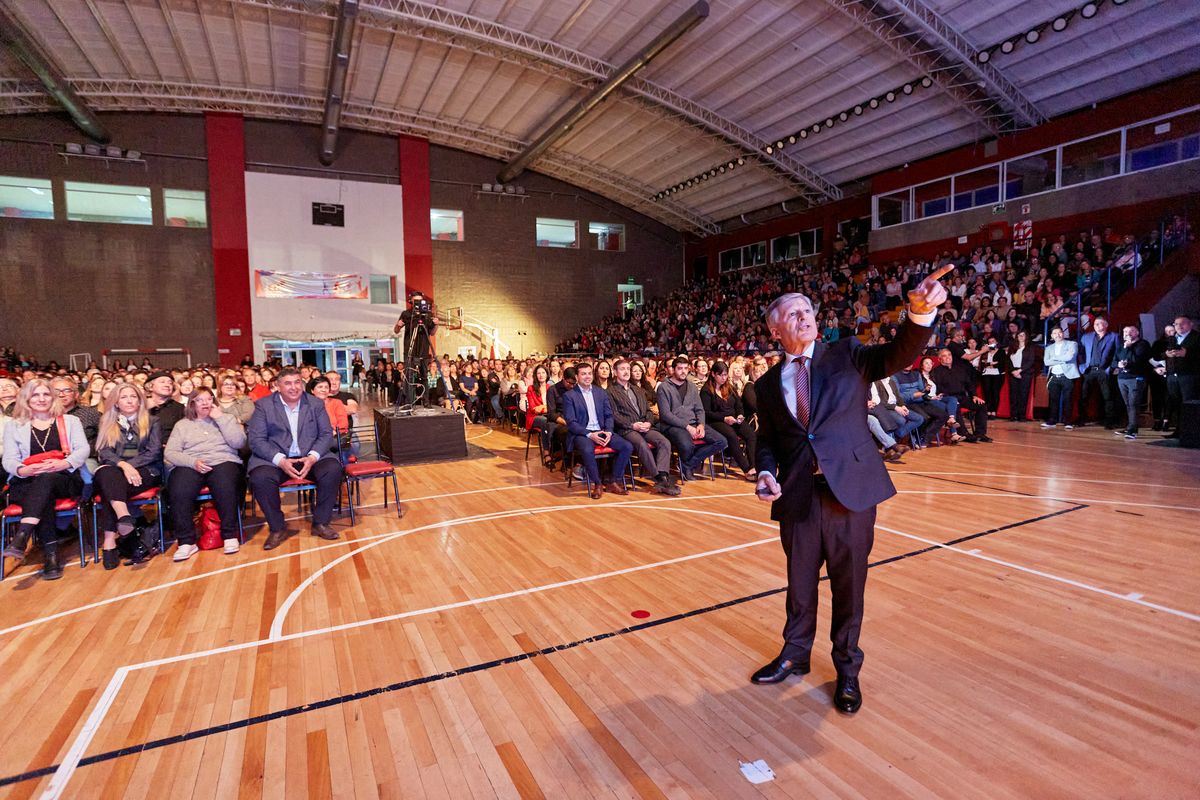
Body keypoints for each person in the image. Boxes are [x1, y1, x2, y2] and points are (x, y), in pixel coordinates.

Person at [751, 265, 951, 715]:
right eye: (793, 312)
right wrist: (765, 472)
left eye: (807, 309)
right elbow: (768, 440)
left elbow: (896, 356)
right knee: (799, 587)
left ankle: (847, 670)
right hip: (798, 497)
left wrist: (918, 316)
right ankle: (795, 655)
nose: (804, 316)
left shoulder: (846, 353)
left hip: (849, 494)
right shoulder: (765, 385)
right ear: (775, 329)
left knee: (849, 587)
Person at [1, 379, 90, 579]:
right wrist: (23, 470)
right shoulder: (14, 426)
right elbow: (9, 459)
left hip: (63, 478)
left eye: (46, 394)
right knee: (42, 492)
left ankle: (23, 534)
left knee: (46, 481)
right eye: (35, 395)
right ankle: (51, 557)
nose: (41, 399)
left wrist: (64, 464)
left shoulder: (69, 421)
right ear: (26, 398)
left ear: (53, 397)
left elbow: (83, 449)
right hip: (27, 480)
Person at [247, 367, 345, 549]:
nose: (294, 387)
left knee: (333, 469)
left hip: (310, 456)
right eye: (288, 383)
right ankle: (277, 528)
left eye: (297, 382)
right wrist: (280, 460)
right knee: (259, 478)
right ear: (277, 386)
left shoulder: (315, 404)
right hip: (276, 459)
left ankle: (321, 523)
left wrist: (313, 457)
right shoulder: (264, 406)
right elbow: (256, 440)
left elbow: (325, 434)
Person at [164, 388, 247, 559]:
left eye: (209, 399)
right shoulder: (182, 425)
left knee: (225, 483)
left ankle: (229, 535)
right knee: (179, 488)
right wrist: (192, 462)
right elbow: (170, 453)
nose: (205, 403)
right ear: (192, 403)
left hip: (223, 460)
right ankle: (186, 542)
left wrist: (221, 419)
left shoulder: (227, 418)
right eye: (200, 400)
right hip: (192, 463)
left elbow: (239, 442)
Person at [93, 384, 163, 570]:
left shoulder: (152, 420)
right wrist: (123, 465)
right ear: (116, 402)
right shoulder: (107, 422)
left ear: (140, 400)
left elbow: (153, 452)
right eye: (124, 397)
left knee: (109, 487)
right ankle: (123, 517)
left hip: (146, 471)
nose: (130, 400)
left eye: (134, 396)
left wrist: (130, 466)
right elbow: (105, 452)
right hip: (116, 471)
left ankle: (109, 541)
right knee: (108, 474)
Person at [562, 363, 634, 499]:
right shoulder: (569, 396)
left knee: (627, 446)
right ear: (577, 377)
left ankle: (613, 481)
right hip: (583, 433)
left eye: (589, 373)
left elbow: (609, 415)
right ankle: (597, 483)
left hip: (602, 431)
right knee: (587, 450)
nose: (587, 376)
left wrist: (609, 431)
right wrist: (590, 434)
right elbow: (571, 423)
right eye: (583, 374)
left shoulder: (600, 392)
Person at [607, 359, 678, 495]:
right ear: (615, 372)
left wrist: (648, 423)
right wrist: (632, 425)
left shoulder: (638, 390)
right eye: (622, 369)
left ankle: (663, 476)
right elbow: (614, 415)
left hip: (644, 426)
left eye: (628, 369)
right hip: (626, 429)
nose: (626, 372)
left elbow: (648, 411)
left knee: (664, 442)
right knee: (641, 444)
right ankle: (658, 478)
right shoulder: (610, 392)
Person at [656, 357, 727, 482]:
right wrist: (687, 427)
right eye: (679, 368)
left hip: (694, 423)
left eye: (685, 368)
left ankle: (687, 465)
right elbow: (666, 414)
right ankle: (687, 467)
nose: (683, 371)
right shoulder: (664, 387)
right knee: (687, 445)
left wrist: (701, 425)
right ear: (673, 369)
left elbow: (700, 409)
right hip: (673, 426)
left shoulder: (692, 386)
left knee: (721, 441)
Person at [700, 361, 757, 481]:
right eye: (721, 375)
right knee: (731, 436)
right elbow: (706, 412)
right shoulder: (706, 390)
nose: (723, 378)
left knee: (751, 435)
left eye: (725, 375)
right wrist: (724, 418)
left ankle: (753, 466)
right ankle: (746, 469)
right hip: (716, 420)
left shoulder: (729, 387)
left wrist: (740, 415)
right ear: (714, 374)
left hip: (733, 418)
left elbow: (739, 405)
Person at [1113, 325, 1152, 440]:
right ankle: (1130, 425)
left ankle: (1132, 430)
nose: (1128, 333)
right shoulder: (1121, 346)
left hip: (1136, 377)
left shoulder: (1143, 344)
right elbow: (1114, 361)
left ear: (1137, 333)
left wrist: (1128, 348)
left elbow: (1137, 360)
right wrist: (1118, 365)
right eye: (1125, 331)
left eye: (1131, 331)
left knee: (1134, 403)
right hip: (1122, 378)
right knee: (1128, 404)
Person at [1163, 315, 1199, 438]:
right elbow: (1162, 354)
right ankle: (1179, 430)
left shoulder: (1196, 337)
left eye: (1182, 323)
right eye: (1176, 324)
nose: (1179, 326)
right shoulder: (1172, 338)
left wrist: (1186, 353)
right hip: (1172, 375)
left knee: (1189, 404)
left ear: (1190, 324)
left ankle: (1191, 432)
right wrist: (1167, 354)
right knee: (1176, 403)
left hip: (1189, 376)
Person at [1079, 317, 1118, 427]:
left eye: (1100, 323)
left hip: (1104, 370)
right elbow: (1080, 353)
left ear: (1106, 325)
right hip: (1089, 370)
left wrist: (1111, 367)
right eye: (1096, 324)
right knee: (1084, 396)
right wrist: (1082, 366)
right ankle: (1082, 419)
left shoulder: (1113, 336)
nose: (1097, 325)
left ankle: (1109, 421)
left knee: (1107, 396)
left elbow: (1117, 353)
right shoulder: (1086, 337)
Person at [1042, 327, 1080, 429]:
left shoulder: (1072, 344)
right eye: (1055, 333)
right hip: (1054, 376)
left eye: (1059, 332)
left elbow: (1069, 357)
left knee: (1068, 399)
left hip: (1067, 376)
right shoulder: (1049, 348)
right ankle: (1052, 421)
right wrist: (1062, 359)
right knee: (1053, 399)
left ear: (1063, 334)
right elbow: (1047, 362)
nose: (1057, 335)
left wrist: (1054, 359)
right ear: (1051, 336)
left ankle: (1068, 422)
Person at [1006, 330, 1041, 422]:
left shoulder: (1030, 347)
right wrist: (1013, 371)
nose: (1021, 337)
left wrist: (1020, 371)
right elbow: (1008, 361)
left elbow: (1031, 361)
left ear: (1026, 336)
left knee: (1023, 395)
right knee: (1013, 395)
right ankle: (1013, 416)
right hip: (1013, 373)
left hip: (1025, 373)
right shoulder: (1012, 347)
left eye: (1023, 335)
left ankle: (1022, 416)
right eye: (1019, 335)